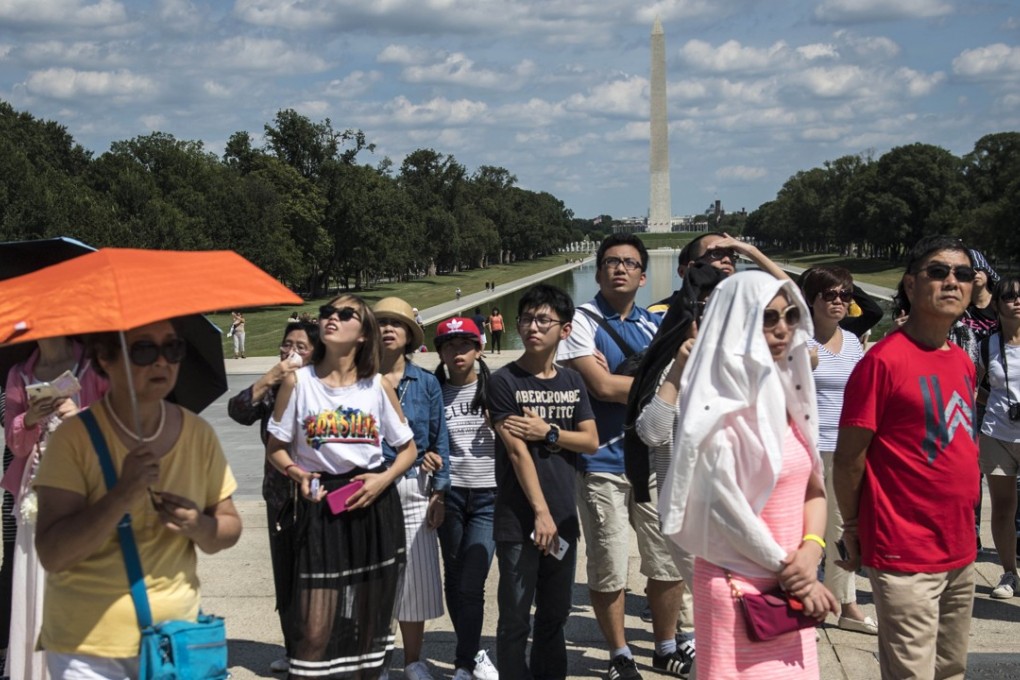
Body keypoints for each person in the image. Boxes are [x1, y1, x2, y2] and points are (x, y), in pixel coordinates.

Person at [33, 320, 241, 679]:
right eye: (145, 350)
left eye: (173, 348)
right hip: (87, 651)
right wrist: (120, 496)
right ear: (105, 358)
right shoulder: (73, 439)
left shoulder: (198, 434)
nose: (163, 362)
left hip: (176, 642)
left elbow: (229, 526)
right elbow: (53, 553)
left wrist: (200, 526)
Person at [659, 270, 838, 679]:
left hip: (792, 580)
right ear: (737, 321)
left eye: (791, 317)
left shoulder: (790, 394)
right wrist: (798, 578)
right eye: (767, 318)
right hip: (736, 584)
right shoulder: (713, 405)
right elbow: (728, 513)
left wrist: (811, 552)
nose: (782, 329)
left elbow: (815, 488)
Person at [834, 235, 979, 680]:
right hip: (904, 549)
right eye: (938, 272)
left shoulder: (960, 359)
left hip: (959, 548)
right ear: (911, 286)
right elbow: (849, 457)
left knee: (950, 669)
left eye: (963, 274)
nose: (951, 281)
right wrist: (854, 526)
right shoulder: (882, 361)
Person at [557, 234, 687, 680]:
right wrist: (659, 384)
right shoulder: (581, 321)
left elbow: (675, 384)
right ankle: (619, 653)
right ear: (597, 272)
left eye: (630, 263)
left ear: (644, 275)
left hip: (653, 460)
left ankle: (666, 645)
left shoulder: (655, 325)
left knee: (666, 560)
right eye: (611, 262)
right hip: (602, 463)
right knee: (609, 564)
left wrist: (649, 383)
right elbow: (602, 388)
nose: (620, 269)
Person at [267, 295, 416, 678]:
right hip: (321, 507)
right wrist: (296, 473)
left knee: (371, 622)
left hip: (373, 503)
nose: (332, 318)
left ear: (363, 334)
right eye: (327, 313)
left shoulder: (377, 386)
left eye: (344, 314)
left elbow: (408, 449)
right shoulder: (298, 381)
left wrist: (384, 479)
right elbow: (276, 448)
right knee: (315, 627)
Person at [489, 284, 598, 679]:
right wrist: (540, 513)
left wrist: (548, 431)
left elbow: (590, 440)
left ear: (564, 330)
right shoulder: (503, 382)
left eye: (543, 320)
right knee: (515, 618)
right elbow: (517, 452)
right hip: (520, 519)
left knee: (555, 615)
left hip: (563, 516)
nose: (532, 327)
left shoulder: (572, 382)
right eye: (526, 319)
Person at [2, 336, 108, 680]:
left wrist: (79, 414)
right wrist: (28, 419)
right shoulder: (19, 373)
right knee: (38, 579)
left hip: (85, 489)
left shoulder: (94, 365)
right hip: (37, 493)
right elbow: (16, 446)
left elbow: (117, 423)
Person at [226, 320, 318, 674]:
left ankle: (316, 648)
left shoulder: (322, 387)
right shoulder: (274, 388)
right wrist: (270, 377)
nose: (291, 351)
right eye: (286, 345)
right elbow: (238, 411)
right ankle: (293, 647)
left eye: (301, 346)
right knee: (286, 572)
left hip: (317, 494)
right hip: (280, 495)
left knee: (315, 574)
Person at [374, 297, 450, 680]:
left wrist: (439, 491)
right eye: (381, 323)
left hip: (414, 488)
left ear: (408, 336)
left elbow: (440, 440)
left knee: (416, 580)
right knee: (375, 580)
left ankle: (414, 660)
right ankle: (379, 660)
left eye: (396, 324)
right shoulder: (357, 380)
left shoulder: (427, 382)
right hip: (370, 489)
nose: (388, 329)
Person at [799, 267, 877, 634]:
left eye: (845, 296)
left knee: (843, 528)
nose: (839, 302)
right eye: (829, 295)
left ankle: (846, 605)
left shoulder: (852, 343)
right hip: (805, 449)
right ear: (811, 300)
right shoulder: (797, 341)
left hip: (844, 450)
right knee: (804, 533)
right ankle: (802, 605)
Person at [432, 317, 499, 680]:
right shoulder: (433, 390)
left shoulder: (495, 387)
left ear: (478, 348)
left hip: (489, 495)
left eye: (464, 345)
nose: (457, 353)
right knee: (455, 576)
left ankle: (465, 658)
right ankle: (471, 655)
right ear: (439, 352)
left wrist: (499, 426)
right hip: (451, 494)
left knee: (473, 578)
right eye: (449, 346)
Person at [976, 276, 1020, 598]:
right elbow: (975, 387)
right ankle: (1009, 574)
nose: (1017, 302)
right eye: (1010, 297)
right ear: (997, 305)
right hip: (996, 434)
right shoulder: (986, 344)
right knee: (1003, 508)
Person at [648, 232, 788, 313]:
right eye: (716, 254)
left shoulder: (747, 308)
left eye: (731, 255)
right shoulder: (660, 313)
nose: (727, 260)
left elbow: (793, 295)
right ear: (688, 270)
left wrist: (751, 251)